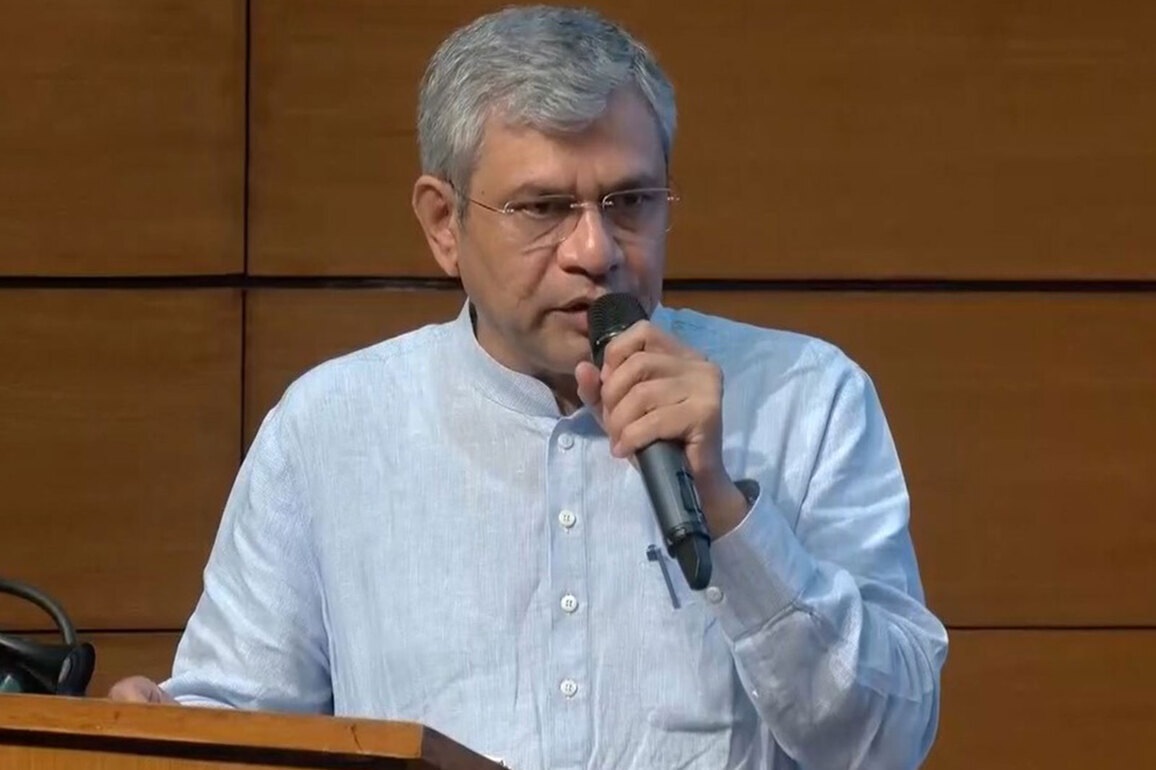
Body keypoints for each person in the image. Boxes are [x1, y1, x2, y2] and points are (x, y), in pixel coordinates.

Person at [110, 5, 948, 768]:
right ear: (444, 225)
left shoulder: (809, 399)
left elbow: (889, 742)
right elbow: (238, 726)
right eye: (542, 209)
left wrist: (727, 514)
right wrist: (167, 732)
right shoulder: (328, 429)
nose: (596, 251)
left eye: (629, 201)